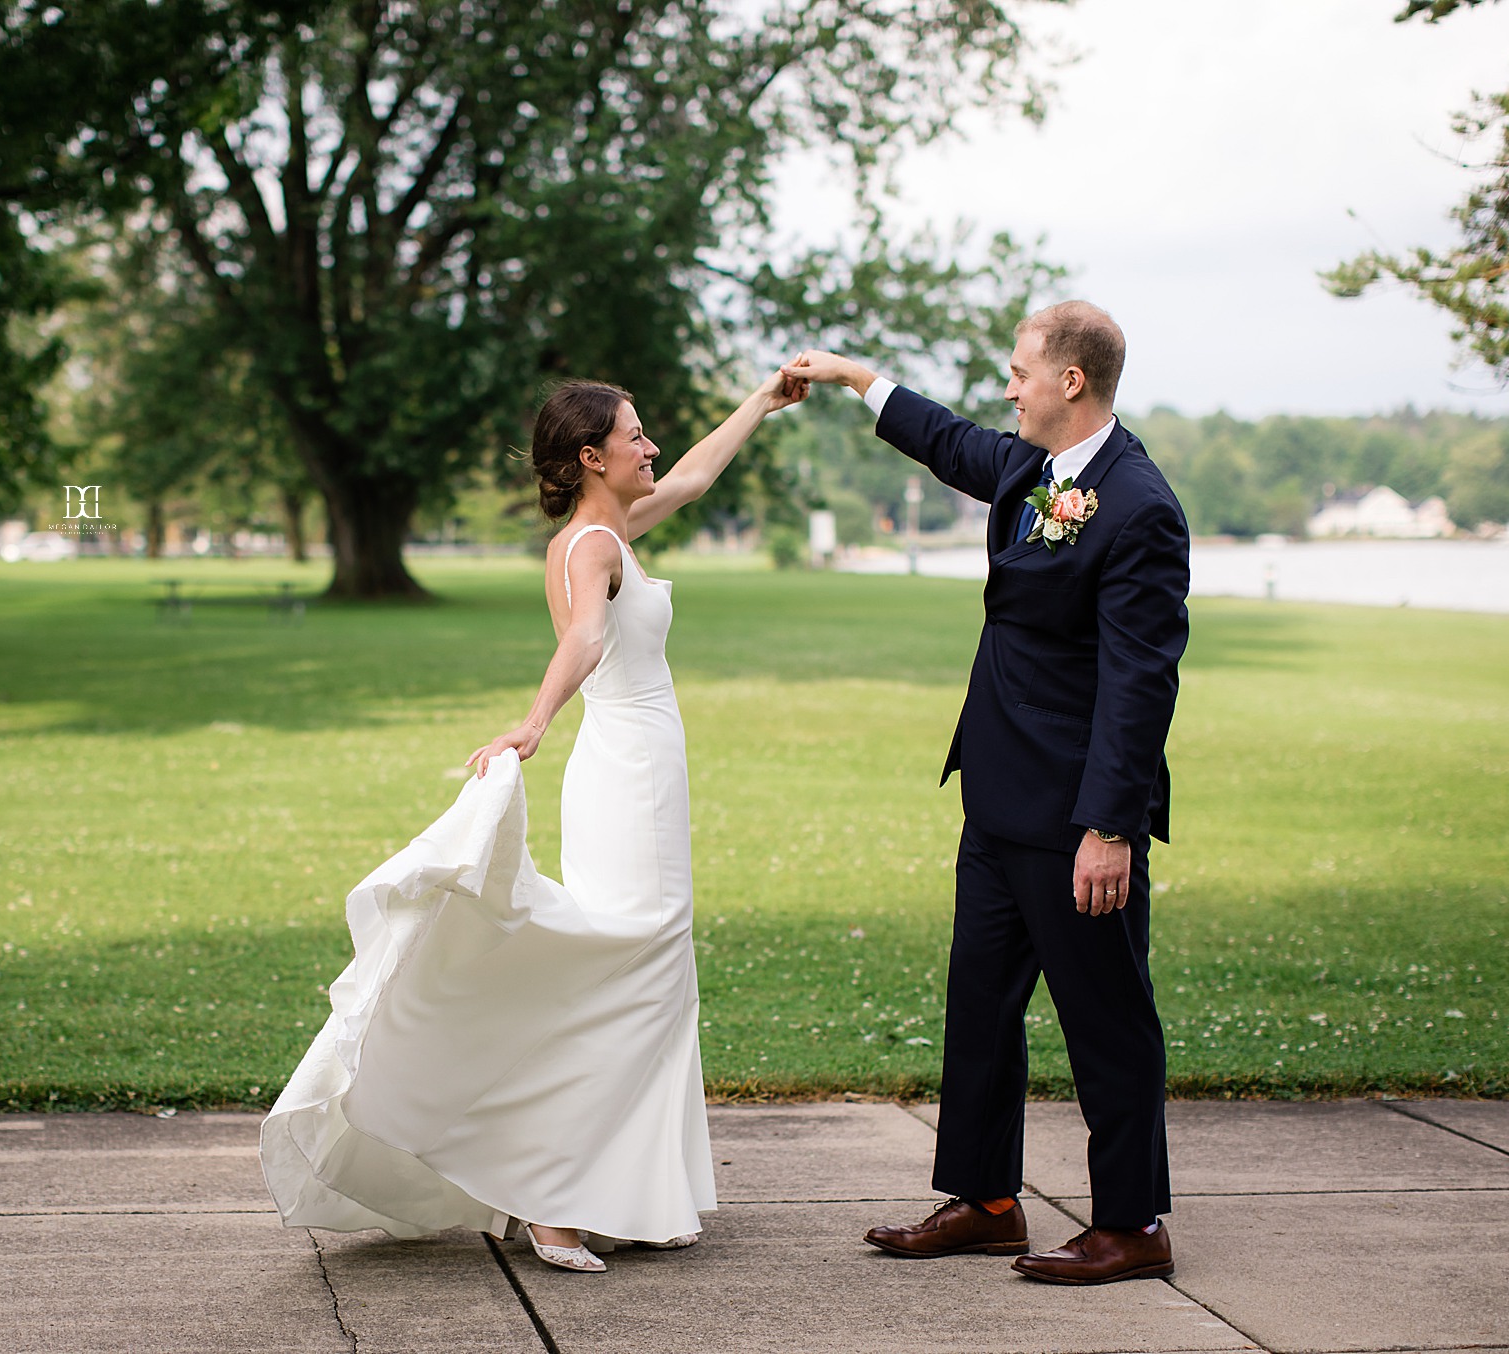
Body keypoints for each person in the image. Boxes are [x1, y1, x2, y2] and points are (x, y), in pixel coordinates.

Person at [259, 370, 807, 1274]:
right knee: (639, 961)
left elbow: (698, 477)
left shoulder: (607, 528)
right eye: (635, 436)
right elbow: (585, 640)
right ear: (592, 457)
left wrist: (759, 402)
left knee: (645, 968)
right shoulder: (593, 544)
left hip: (633, 768)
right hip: (625, 767)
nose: (651, 448)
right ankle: (558, 1198)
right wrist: (534, 720)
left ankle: (604, 1188)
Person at [781, 301, 1190, 1285]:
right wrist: (848, 374)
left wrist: (1110, 827)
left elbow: (1141, 683)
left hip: (1075, 815)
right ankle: (986, 1200)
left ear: (1070, 382)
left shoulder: (1137, 506)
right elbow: (943, 439)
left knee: (1106, 1019)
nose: (1006, 387)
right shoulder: (1027, 469)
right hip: (997, 796)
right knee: (979, 1007)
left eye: (1018, 371)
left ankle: (1132, 1224)